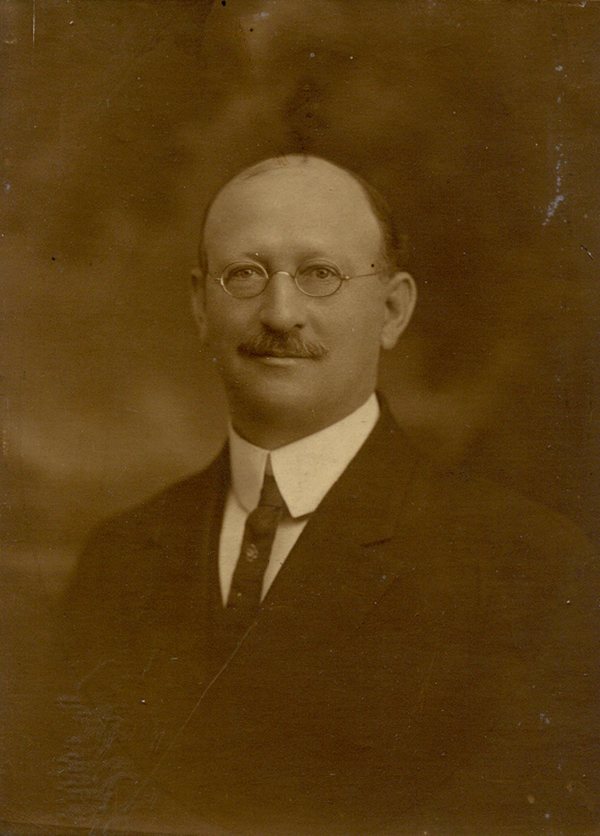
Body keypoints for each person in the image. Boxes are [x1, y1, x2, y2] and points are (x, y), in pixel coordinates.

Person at [54, 155, 597, 834]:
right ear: (199, 306)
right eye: (245, 274)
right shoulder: (116, 560)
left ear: (392, 310)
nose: (281, 314)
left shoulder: (529, 568)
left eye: (320, 275)